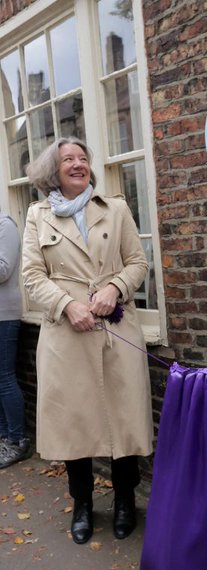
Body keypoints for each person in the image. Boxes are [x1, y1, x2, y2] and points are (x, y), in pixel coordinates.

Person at [21, 137, 150, 545]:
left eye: (82, 158)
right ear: (52, 171)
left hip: (115, 330)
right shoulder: (37, 215)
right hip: (66, 336)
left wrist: (115, 288)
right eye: (68, 160)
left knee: (123, 420)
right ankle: (82, 504)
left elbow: (137, 262)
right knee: (75, 425)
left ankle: (126, 501)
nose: (78, 164)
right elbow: (31, 276)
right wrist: (66, 304)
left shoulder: (116, 208)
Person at [0, 210, 27, 470]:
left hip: (4, 315)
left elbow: (4, 270)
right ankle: (3, 438)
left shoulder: (5, 225)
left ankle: (17, 440)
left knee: (5, 378)